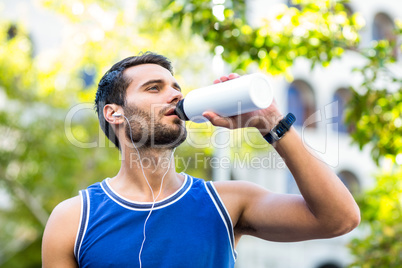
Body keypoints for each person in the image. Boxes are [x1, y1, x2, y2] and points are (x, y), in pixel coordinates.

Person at [42, 52, 360, 267]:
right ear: (114, 113)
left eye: (176, 88)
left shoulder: (228, 202)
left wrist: (271, 121)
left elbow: (340, 219)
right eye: (155, 88)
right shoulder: (73, 219)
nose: (175, 95)